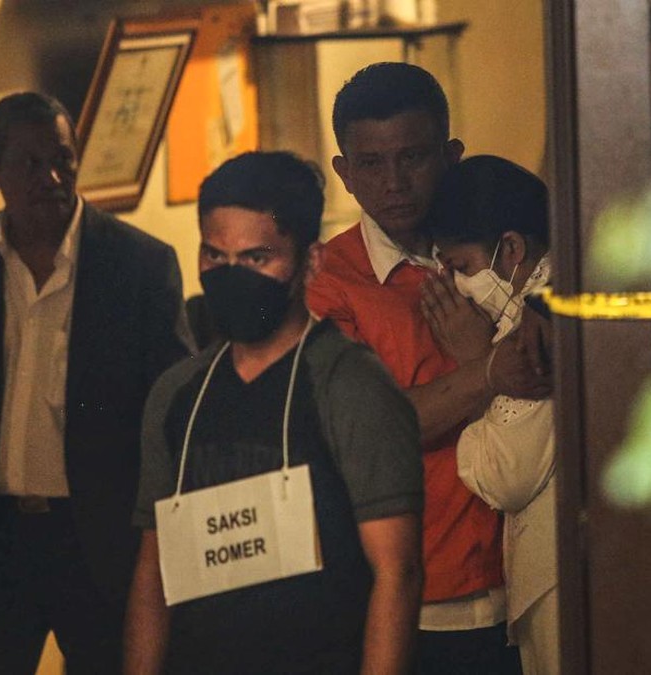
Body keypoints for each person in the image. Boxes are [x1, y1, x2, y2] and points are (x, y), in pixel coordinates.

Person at [0, 92, 192, 673]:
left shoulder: (138, 265)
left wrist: (165, 539)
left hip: (101, 541)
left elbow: (174, 412)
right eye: (30, 164)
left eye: (62, 158)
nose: (52, 177)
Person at [125, 151, 425, 674]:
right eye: (215, 256)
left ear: (310, 262)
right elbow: (153, 572)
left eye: (257, 258)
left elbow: (397, 574)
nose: (232, 275)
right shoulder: (177, 395)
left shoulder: (349, 386)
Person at [307, 62, 549, 674]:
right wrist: (490, 368)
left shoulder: (503, 242)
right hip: (418, 596)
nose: (394, 183)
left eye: (413, 158)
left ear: (451, 154)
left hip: (531, 573)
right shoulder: (330, 281)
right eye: (371, 164)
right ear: (344, 173)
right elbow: (370, 430)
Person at [424, 156, 559, 675]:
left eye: (461, 267)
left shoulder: (539, 320)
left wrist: (479, 363)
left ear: (512, 250)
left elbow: (505, 476)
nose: (456, 288)